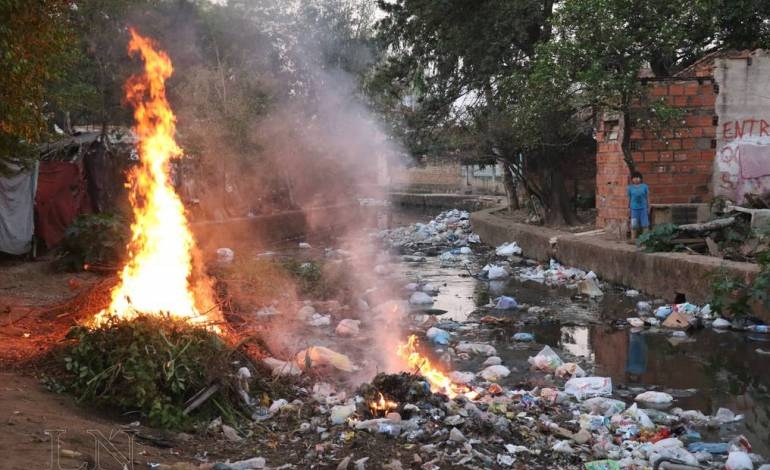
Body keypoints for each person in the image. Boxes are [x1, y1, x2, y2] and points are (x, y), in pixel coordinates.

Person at [627, 171, 650, 242]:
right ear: (632, 179)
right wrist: (628, 208)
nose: (636, 179)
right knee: (634, 225)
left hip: (643, 208)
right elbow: (629, 198)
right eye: (634, 178)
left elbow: (647, 197)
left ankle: (645, 239)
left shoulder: (645, 186)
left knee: (645, 224)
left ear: (641, 178)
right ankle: (633, 239)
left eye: (638, 177)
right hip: (634, 209)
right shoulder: (630, 188)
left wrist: (648, 207)